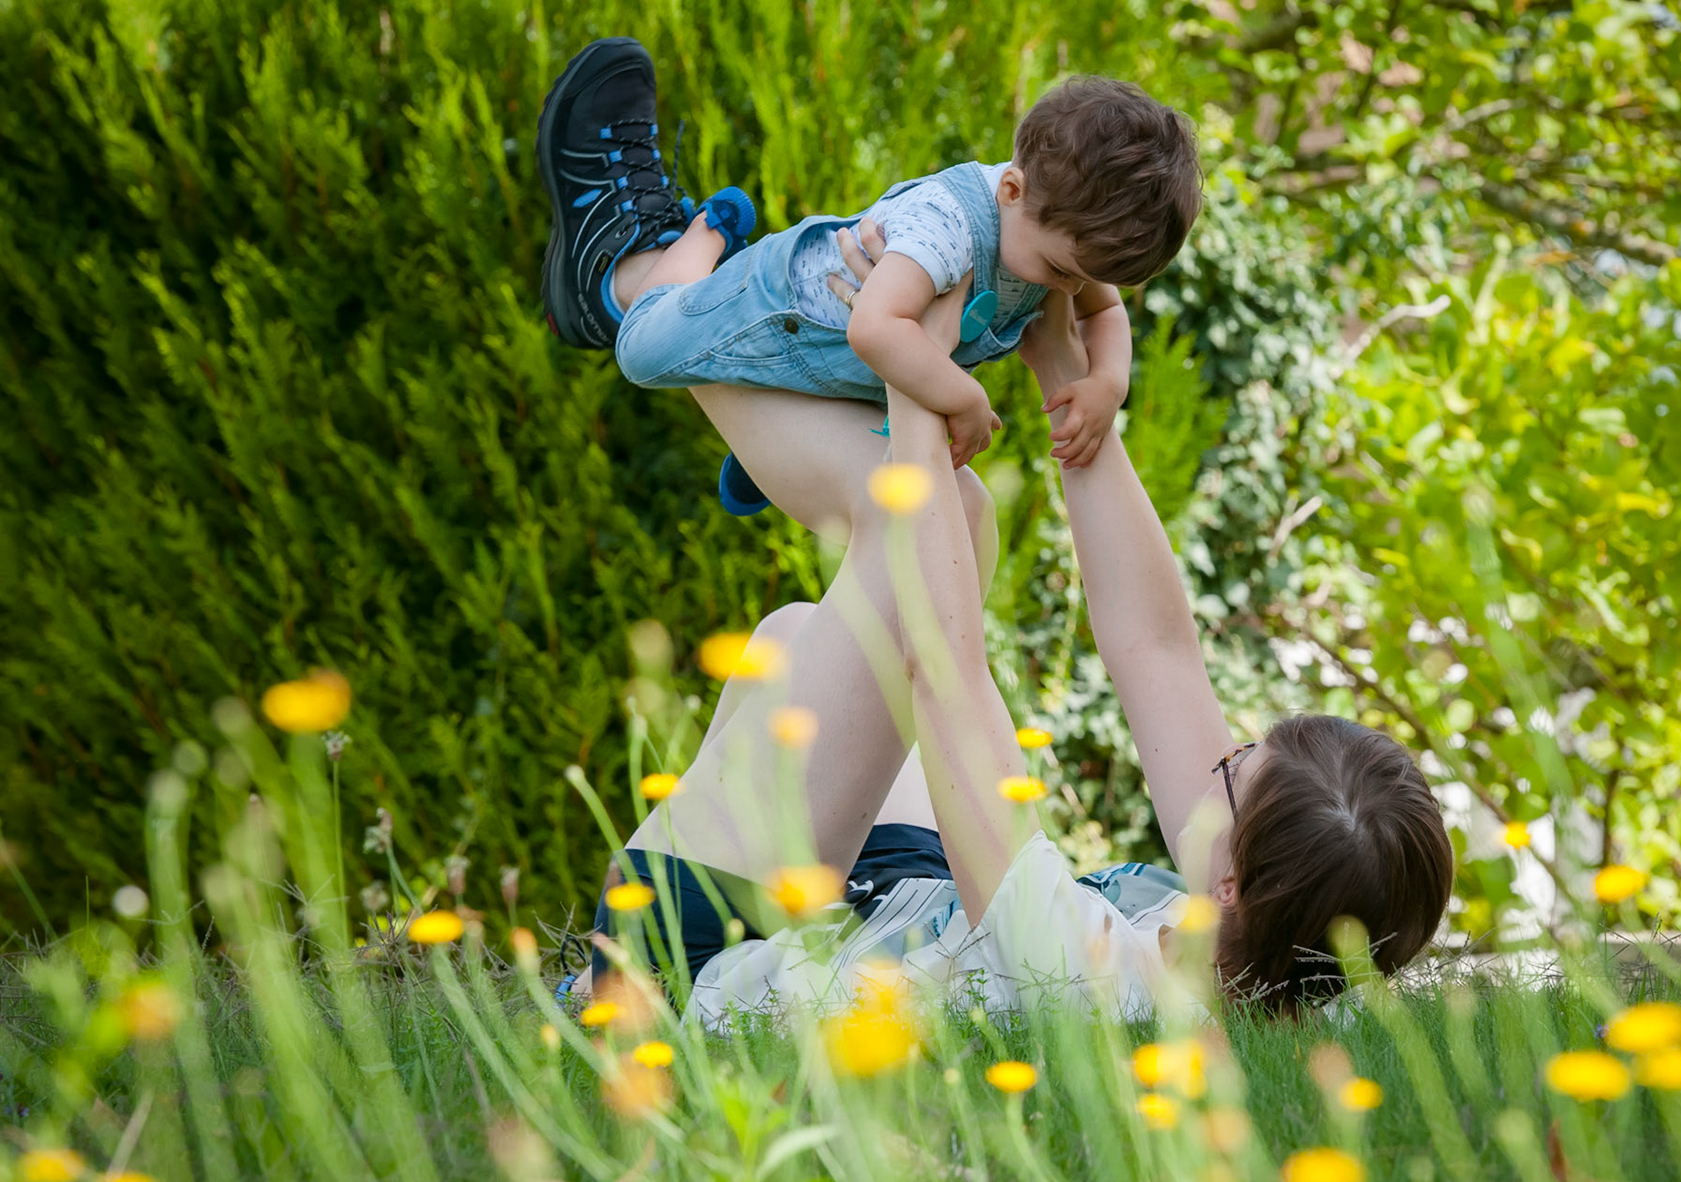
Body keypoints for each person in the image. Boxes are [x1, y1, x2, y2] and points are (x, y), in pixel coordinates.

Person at [544, 47, 1455, 1024]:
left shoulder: (1073, 965)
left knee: (940, 518)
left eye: (1236, 771)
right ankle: (784, 420)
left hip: (681, 956)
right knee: (804, 633)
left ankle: (630, 272)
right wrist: (1068, 375)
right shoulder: (1286, 951)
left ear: (1233, 886)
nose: (1223, 756)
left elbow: (948, 668)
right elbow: (1155, 643)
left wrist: (913, 354)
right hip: (898, 906)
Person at [536, 39, 1202, 514]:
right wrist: (965, 397)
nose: (1064, 291)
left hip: (844, 374)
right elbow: (876, 329)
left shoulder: (1064, 229)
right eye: (1059, 271)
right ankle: (692, 237)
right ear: (1010, 189)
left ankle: (775, 446)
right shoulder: (950, 225)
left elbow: (1103, 313)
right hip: (779, 313)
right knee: (643, 350)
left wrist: (1106, 384)